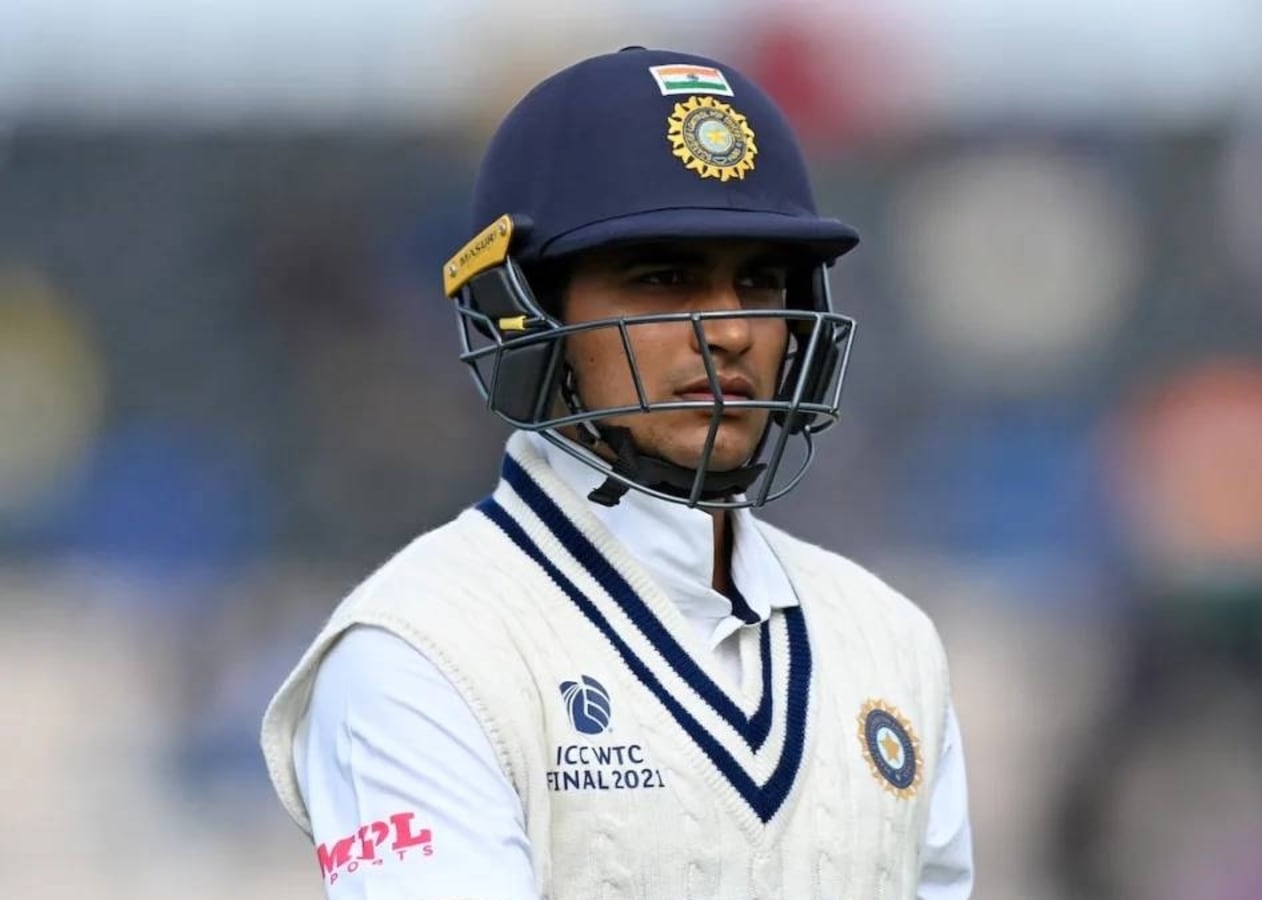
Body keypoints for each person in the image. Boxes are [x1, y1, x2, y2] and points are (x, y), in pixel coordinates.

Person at [259, 46, 973, 899]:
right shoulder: (422, 650)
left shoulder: (889, 644)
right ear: (522, 312)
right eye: (664, 279)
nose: (732, 331)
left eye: (761, 281)